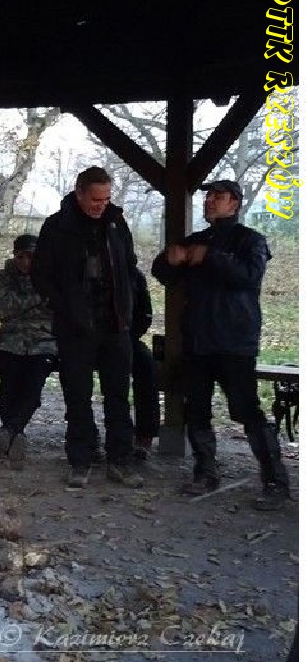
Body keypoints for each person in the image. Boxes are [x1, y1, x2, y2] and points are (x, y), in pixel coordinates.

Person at [151, 180, 290, 510]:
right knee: (196, 408)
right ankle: (205, 472)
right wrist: (170, 259)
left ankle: (275, 481)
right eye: (209, 196)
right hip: (198, 341)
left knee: (246, 410)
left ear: (235, 204)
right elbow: (163, 273)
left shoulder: (250, 240)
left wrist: (211, 257)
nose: (210, 201)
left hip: (234, 341)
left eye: (219, 196)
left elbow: (249, 276)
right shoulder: (196, 240)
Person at [32, 165, 144, 489]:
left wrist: (128, 309)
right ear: (79, 193)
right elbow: (41, 275)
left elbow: (130, 267)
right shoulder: (57, 227)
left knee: (118, 396)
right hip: (75, 328)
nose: (101, 205)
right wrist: (63, 306)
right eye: (96, 199)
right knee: (78, 397)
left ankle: (120, 460)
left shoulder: (116, 223)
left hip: (115, 325)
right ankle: (80, 460)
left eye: (106, 199)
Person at [0, 234, 56, 469]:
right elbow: (3, 309)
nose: (26, 262)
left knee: (33, 385)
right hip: (11, 340)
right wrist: (39, 297)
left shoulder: (51, 275)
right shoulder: (6, 276)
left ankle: (10, 430)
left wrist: (22, 303)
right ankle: (15, 434)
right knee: (8, 383)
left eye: (31, 256)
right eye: (21, 256)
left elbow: (56, 308)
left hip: (44, 341)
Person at [129, 268, 159, 460]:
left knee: (147, 365)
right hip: (86, 338)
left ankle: (145, 434)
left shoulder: (134, 275)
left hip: (125, 337)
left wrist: (129, 335)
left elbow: (144, 314)